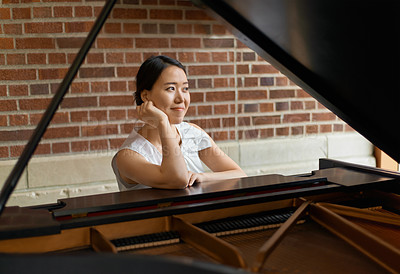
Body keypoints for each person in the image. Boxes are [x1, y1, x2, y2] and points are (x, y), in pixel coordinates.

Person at [112, 55, 246, 190]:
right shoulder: (128, 156)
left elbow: (238, 174)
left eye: (185, 88)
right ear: (146, 96)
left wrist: (203, 177)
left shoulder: (192, 133)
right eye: (171, 88)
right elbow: (177, 180)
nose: (181, 98)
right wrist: (162, 122)